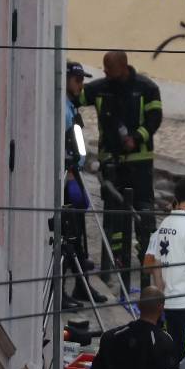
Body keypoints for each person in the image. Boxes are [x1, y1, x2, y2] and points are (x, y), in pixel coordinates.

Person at [78, 50, 163, 284]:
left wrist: (136, 137)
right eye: (105, 71)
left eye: (110, 71)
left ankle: (146, 255)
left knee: (143, 210)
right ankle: (116, 257)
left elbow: (155, 118)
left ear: (124, 67)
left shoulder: (147, 88)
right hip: (111, 162)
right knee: (113, 212)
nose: (107, 75)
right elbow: (75, 95)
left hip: (139, 162)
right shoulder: (101, 88)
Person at [144, 176, 185, 359]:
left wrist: (161, 296)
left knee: (172, 355)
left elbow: (157, 266)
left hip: (169, 305)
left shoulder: (165, 224)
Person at [62, 62, 109, 308]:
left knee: (78, 235)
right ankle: (62, 290)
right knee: (68, 236)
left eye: (82, 81)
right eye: (77, 80)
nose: (81, 85)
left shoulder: (71, 106)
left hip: (75, 173)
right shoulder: (63, 108)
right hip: (68, 176)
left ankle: (82, 285)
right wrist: (69, 170)